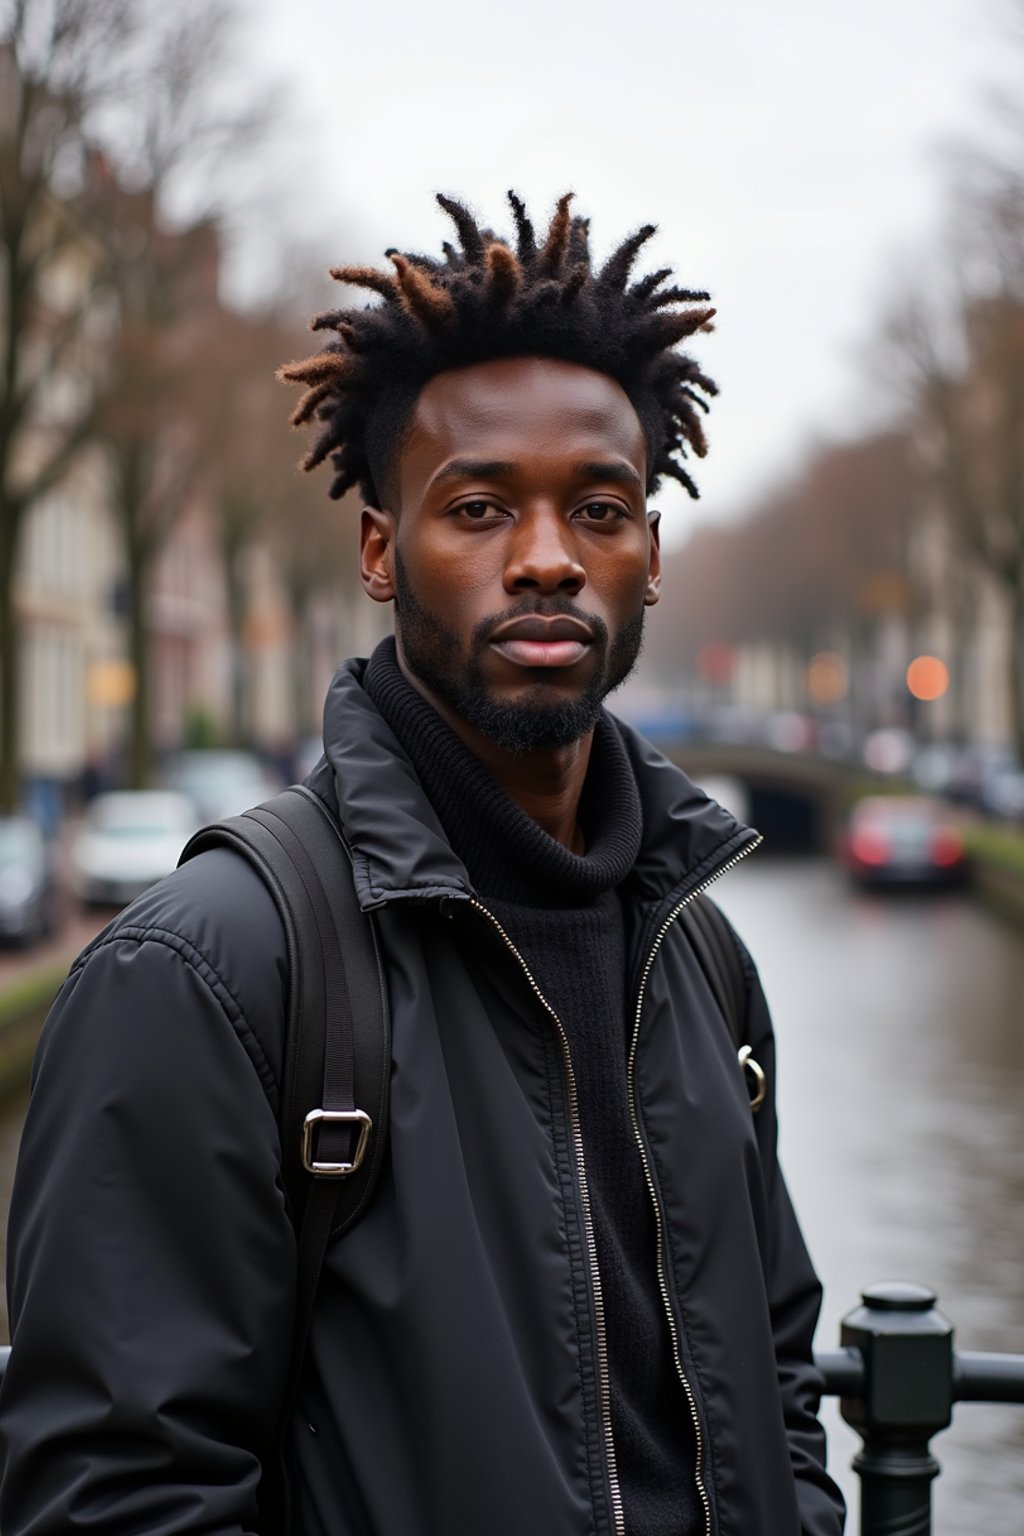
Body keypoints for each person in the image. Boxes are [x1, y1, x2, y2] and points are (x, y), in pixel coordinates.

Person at [0, 192, 845, 1536]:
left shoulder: (704, 958)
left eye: (601, 508)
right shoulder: (214, 972)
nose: (550, 559)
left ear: (653, 558)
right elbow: (120, 1499)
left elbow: (779, 1372)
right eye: (479, 507)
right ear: (383, 552)